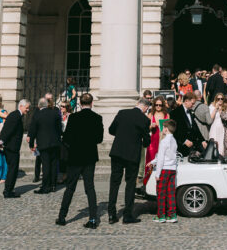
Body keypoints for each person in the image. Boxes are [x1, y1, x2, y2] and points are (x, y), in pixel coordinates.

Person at [57, 93, 104, 229]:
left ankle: (62, 216)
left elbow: (66, 138)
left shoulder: (74, 117)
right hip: (89, 156)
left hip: (75, 156)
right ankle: (93, 218)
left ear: (80, 103)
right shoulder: (97, 118)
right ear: (92, 103)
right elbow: (99, 139)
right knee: (90, 188)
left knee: (70, 187)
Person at [108, 98, 151, 224]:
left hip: (117, 151)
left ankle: (111, 214)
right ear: (146, 108)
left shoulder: (122, 113)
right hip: (132, 154)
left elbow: (111, 130)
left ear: (137, 104)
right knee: (130, 184)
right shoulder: (144, 119)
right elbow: (146, 141)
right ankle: (127, 215)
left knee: (114, 183)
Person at [29, 94, 64, 194]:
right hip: (55, 143)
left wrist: (31, 144)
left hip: (43, 143)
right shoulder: (55, 113)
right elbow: (59, 129)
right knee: (54, 164)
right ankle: (53, 185)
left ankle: (46, 186)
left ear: (39, 106)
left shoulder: (37, 115)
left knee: (46, 165)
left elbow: (33, 131)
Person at [0, 99, 29, 198]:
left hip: (12, 147)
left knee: (13, 169)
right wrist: (1, 140)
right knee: (13, 169)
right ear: (21, 106)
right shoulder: (15, 115)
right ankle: (8, 191)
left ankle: (9, 189)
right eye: (27, 108)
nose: (28, 110)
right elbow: (7, 129)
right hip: (11, 147)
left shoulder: (17, 115)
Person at [154, 119, 179, 223]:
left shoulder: (164, 142)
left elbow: (161, 158)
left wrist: (157, 173)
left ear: (166, 129)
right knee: (171, 193)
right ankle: (172, 215)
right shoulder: (174, 140)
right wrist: (152, 161)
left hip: (164, 169)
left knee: (161, 193)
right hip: (172, 169)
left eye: (163, 127)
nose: (162, 129)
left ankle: (161, 215)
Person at [172, 91, 206, 157]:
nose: (193, 105)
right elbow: (174, 131)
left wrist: (202, 140)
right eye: (192, 103)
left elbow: (195, 128)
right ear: (186, 101)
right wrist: (184, 141)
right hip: (181, 147)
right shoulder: (175, 113)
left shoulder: (190, 112)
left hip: (192, 147)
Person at [144, 97, 168, 180]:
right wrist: (151, 126)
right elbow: (145, 128)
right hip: (152, 141)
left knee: (162, 161)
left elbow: (170, 129)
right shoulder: (150, 115)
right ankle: (148, 180)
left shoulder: (166, 115)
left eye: (160, 105)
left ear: (163, 105)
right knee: (151, 160)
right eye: (156, 105)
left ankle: (161, 180)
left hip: (163, 140)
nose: (158, 106)